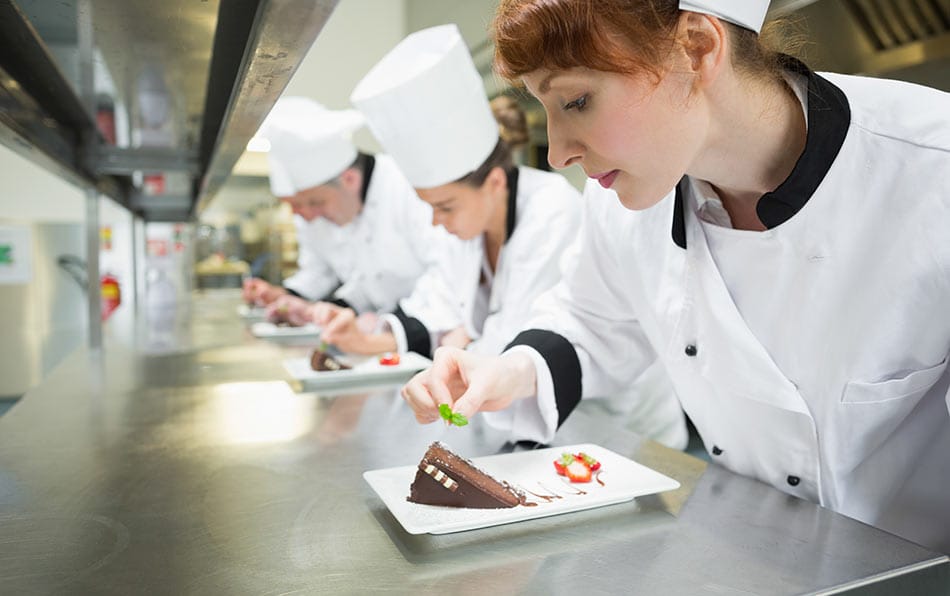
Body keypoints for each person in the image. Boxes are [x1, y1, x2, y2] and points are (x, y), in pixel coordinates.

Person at [401, 0, 950, 552]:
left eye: (576, 101)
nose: (559, 152)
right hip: (747, 549)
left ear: (697, 46)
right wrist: (506, 372)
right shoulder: (621, 198)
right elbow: (592, 321)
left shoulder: (932, 170)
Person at [347, 24, 687, 449]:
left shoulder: (553, 209)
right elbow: (442, 309)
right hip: (537, 417)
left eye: (577, 102)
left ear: (492, 183)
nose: (437, 221)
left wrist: (466, 343)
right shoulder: (466, 231)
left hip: (620, 428)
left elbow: (520, 334)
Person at [240, 98, 449, 324]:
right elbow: (344, 277)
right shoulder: (326, 209)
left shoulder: (405, 186)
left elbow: (445, 274)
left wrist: (393, 328)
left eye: (315, 203)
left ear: (349, 179)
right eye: (295, 205)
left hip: (432, 327)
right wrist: (287, 297)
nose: (307, 216)